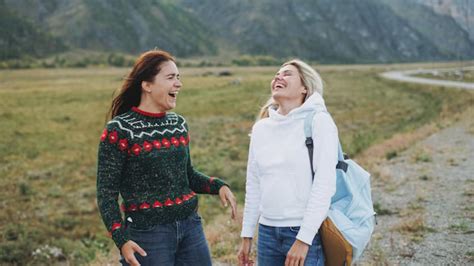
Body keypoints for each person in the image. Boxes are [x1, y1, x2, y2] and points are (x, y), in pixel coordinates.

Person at [96, 50, 237, 266]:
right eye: (171, 77)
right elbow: (106, 195)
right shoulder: (119, 130)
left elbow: (187, 175)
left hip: (191, 227)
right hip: (147, 236)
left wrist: (218, 186)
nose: (178, 84)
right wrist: (121, 240)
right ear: (147, 85)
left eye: (179, 77)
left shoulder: (178, 124)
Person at [238, 59, 339, 266]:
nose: (278, 77)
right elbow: (254, 183)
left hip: (302, 230)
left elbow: (324, 184)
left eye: (287, 74)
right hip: (266, 233)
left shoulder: (319, 121)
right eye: (276, 74)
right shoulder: (261, 128)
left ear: (304, 87)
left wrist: (304, 239)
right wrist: (247, 234)